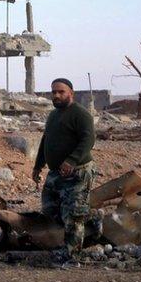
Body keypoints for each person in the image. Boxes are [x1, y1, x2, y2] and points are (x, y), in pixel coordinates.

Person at [31, 78, 97, 262]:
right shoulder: (53, 115)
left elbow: (88, 140)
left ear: (71, 93)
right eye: (54, 92)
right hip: (56, 173)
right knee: (51, 210)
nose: (56, 95)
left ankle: (72, 253)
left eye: (61, 92)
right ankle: (93, 217)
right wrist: (38, 165)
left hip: (78, 171)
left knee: (73, 214)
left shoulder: (81, 114)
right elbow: (46, 140)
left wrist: (72, 161)